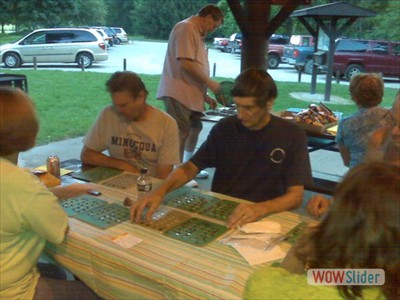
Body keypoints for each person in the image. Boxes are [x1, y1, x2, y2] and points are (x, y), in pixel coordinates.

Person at [131, 68, 312, 228]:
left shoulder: (292, 134)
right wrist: (160, 191)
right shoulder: (226, 128)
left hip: (267, 217)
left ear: (269, 102)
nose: (240, 115)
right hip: (223, 211)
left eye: (248, 108)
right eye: (237, 106)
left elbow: (295, 196)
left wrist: (261, 208)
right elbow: (190, 167)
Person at [245, 162, 400, 300]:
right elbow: (364, 278)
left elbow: (277, 283)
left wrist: (299, 251)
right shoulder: (375, 279)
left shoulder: (262, 284)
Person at [0, 87, 99, 299]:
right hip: (12, 293)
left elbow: (12, 204)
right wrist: (45, 195)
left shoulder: (19, 183)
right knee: (97, 293)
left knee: (54, 272)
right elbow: (58, 230)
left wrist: (61, 192)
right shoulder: (22, 184)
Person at [307, 91, 400, 218]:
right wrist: (333, 204)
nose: (394, 131)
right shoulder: (381, 140)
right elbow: (364, 186)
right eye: (393, 121)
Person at [157, 4, 223, 179]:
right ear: (208, 17)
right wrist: (212, 84)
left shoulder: (196, 32)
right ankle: (174, 174)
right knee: (180, 132)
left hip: (191, 94)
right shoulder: (186, 27)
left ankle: (187, 166)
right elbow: (185, 63)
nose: (212, 30)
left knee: (195, 128)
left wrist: (205, 96)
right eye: (214, 25)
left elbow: (196, 66)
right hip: (178, 92)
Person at [81, 71, 180, 179]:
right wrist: (122, 165)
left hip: (150, 186)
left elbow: (164, 177)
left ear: (141, 96)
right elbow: (87, 155)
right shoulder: (109, 113)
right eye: (116, 105)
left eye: (124, 105)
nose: (119, 110)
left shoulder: (166, 124)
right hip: (119, 181)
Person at [336, 73, 388, 168]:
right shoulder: (392, 118)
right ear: (381, 93)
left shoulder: (345, 124)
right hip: (389, 176)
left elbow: (347, 161)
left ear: (354, 96)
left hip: (357, 176)